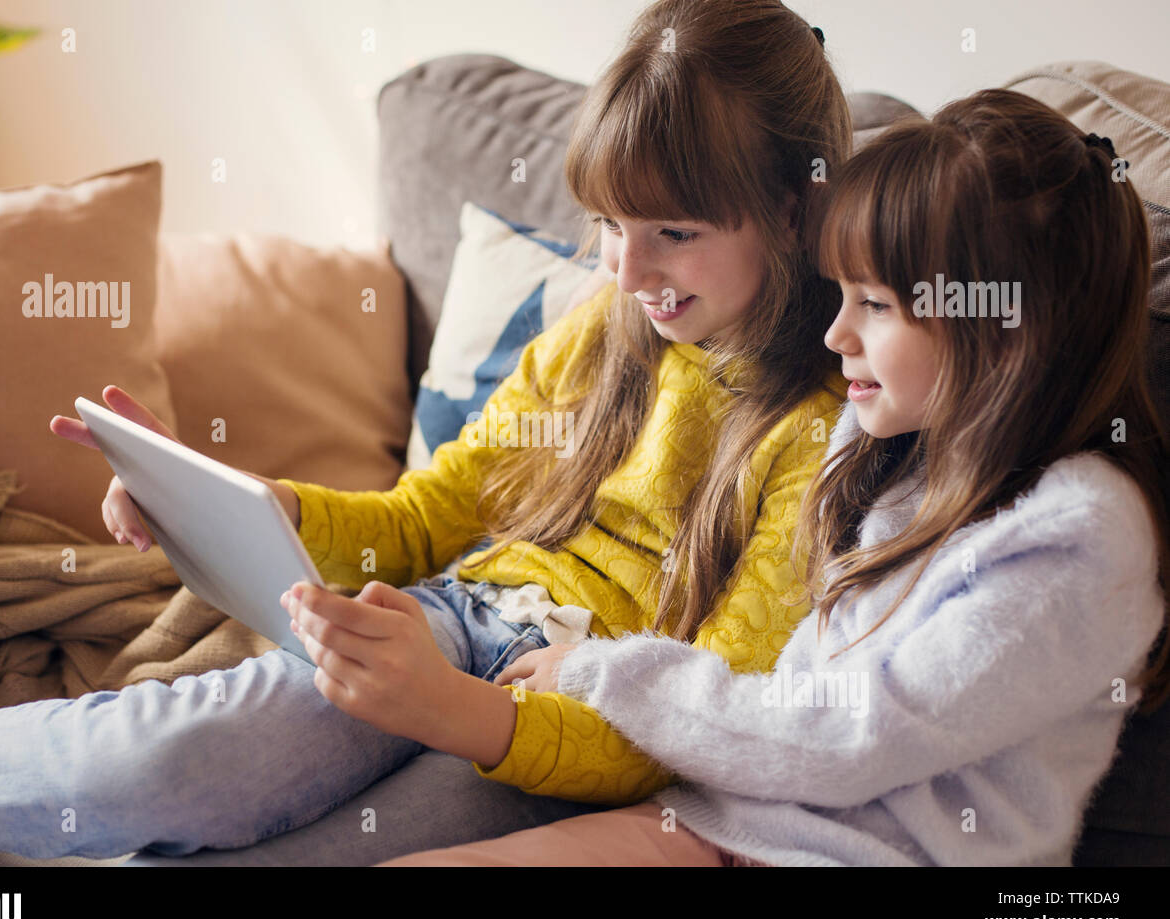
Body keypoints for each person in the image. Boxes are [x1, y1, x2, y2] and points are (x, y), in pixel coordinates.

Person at [0, 0, 852, 866]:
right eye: (607, 225)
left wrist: (459, 712)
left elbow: (710, 721)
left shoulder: (820, 432)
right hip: (459, 621)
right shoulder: (610, 324)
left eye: (672, 232)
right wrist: (243, 504)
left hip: (572, 734)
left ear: (788, 208)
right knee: (170, 760)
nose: (626, 270)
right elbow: (426, 515)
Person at [378, 88, 1170, 866]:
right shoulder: (886, 449)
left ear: (1006, 330)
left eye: (876, 305)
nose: (837, 333)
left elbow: (850, 737)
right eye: (841, 295)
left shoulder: (1080, 535)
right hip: (724, 822)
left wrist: (599, 676)